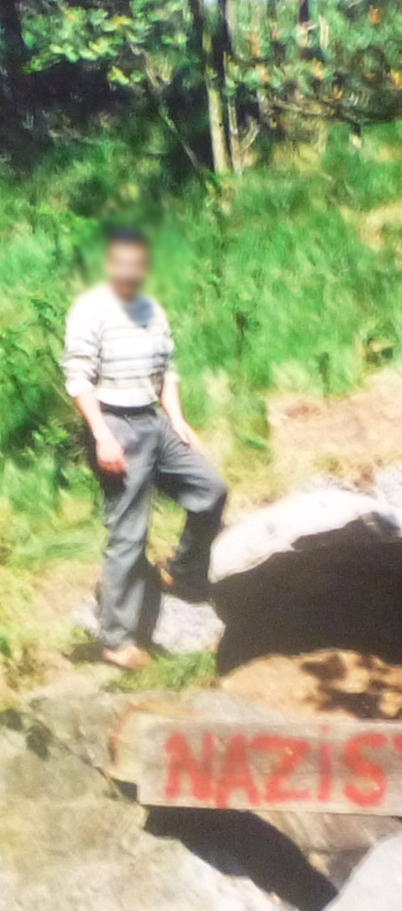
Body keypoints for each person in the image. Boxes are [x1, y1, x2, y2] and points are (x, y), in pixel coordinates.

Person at [62, 227, 228, 671]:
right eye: (122, 261)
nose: (130, 269)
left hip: (154, 420)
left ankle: (182, 571)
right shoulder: (90, 309)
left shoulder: (151, 309)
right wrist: (101, 434)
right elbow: (78, 376)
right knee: (129, 533)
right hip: (115, 422)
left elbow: (167, 371)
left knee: (210, 488)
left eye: (138, 261)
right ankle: (117, 640)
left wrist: (177, 419)